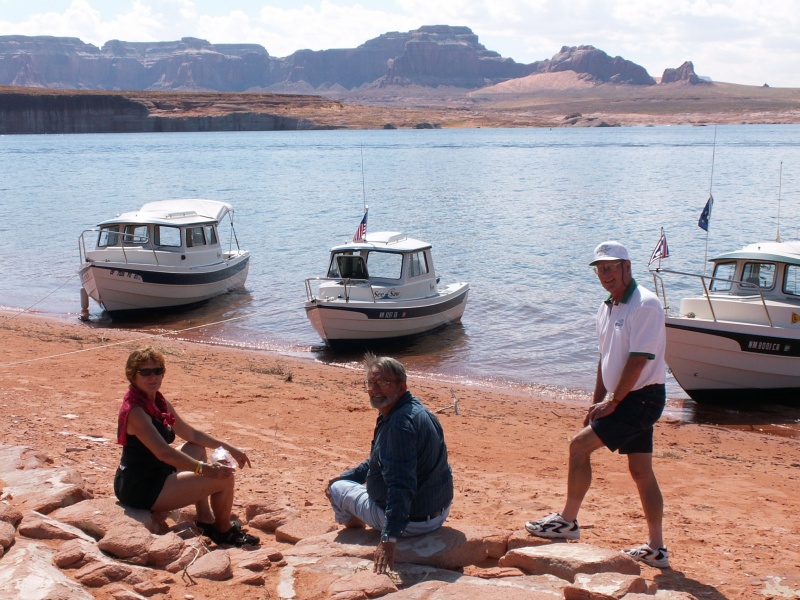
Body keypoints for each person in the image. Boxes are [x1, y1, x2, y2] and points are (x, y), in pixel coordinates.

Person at [525, 241, 670, 569]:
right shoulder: (608, 307)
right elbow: (605, 360)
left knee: (578, 448)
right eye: (600, 268)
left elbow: (637, 361)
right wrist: (597, 405)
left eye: (611, 267)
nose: (605, 274)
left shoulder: (645, 304)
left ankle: (567, 522)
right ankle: (656, 549)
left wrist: (613, 401)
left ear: (627, 267)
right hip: (624, 398)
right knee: (641, 471)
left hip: (641, 398)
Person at [114, 346, 259, 547]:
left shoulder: (158, 402)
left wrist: (228, 447)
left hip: (156, 471)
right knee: (224, 479)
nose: (152, 377)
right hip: (142, 487)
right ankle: (223, 531)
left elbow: (190, 433)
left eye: (157, 371)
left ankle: (205, 519)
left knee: (197, 447)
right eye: (145, 372)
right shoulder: (136, 411)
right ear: (133, 376)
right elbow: (164, 453)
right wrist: (206, 470)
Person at [326, 353, 454, 574]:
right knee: (343, 481)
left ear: (401, 386)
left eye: (383, 383)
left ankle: (356, 531)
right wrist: (349, 475)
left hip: (412, 523)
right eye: (371, 382)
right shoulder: (417, 411)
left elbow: (401, 485)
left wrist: (389, 539)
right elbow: (379, 459)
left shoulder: (399, 425)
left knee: (336, 489)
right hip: (438, 513)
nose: (375, 389)